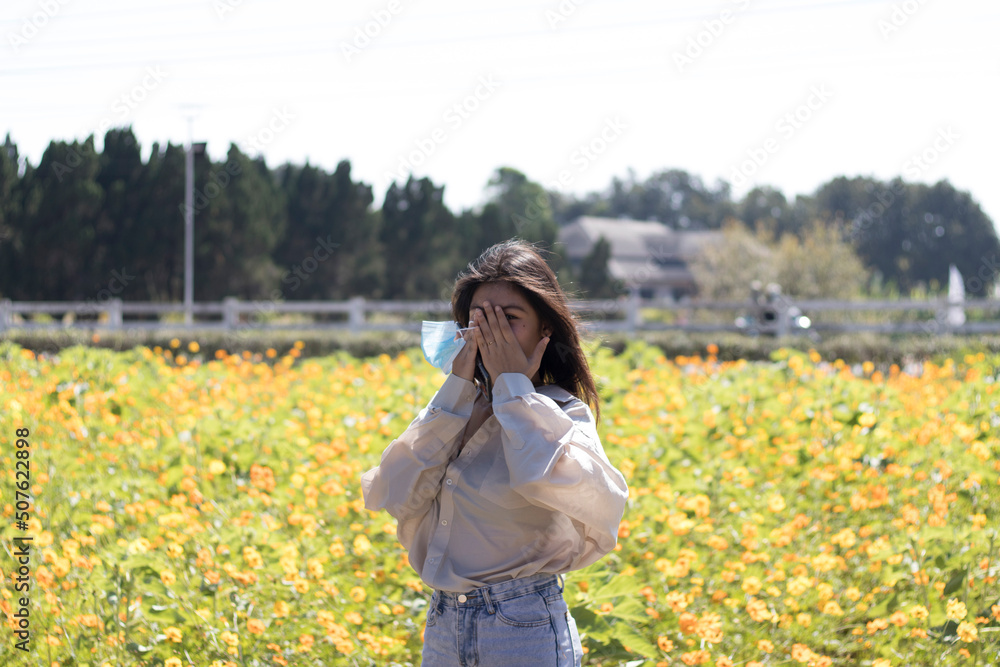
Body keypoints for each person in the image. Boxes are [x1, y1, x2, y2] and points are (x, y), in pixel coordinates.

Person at [361, 239, 629, 667]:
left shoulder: (561, 413)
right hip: (445, 623)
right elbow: (392, 494)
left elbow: (554, 481)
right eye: (479, 320)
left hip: (521, 629)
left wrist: (513, 389)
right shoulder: (454, 408)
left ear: (545, 331)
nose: (490, 334)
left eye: (509, 320)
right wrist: (455, 388)